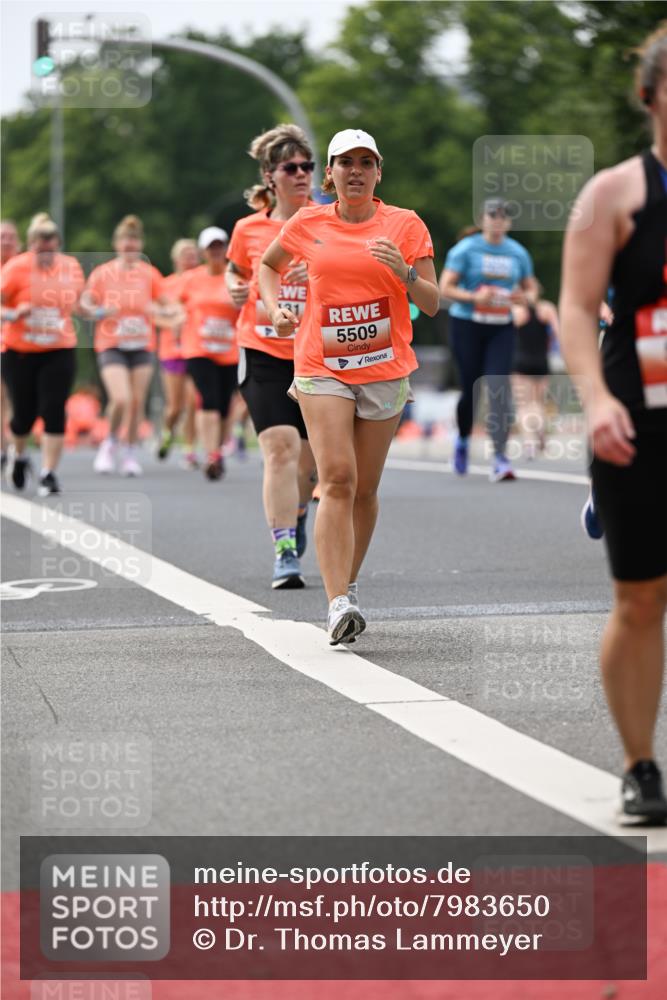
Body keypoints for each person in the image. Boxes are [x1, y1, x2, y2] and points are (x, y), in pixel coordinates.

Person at [259, 128, 439, 643]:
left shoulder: (404, 224)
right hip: (322, 366)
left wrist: (404, 272)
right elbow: (269, 268)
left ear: (378, 171)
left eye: (366, 162)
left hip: (384, 368)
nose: (355, 171)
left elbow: (431, 302)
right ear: (331, 173)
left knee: (365, 488)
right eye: (345, 163)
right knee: (336, 477)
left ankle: (348, 583)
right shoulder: (309, 220)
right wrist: (276, 308)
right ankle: (337, 603)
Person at [559, 23, 667, 821]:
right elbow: (573, 306)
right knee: (640, 599)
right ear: (649, 96)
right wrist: (596, 400)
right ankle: (639, 767)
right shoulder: (614, 195)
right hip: (641, 418)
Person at [226, 124, 317, 588]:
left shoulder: (328, 221)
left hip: (316, 354)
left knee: (311, 461)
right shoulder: (248, 229)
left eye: (308, 167)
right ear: (270, 175)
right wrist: (234, 287)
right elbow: (234, 272)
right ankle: (284, 550)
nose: (302, 175)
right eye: (291, 168)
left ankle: (299, 512)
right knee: (280, 448)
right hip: (262, 350)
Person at [439, 199, 538, 481]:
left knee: (498, 388)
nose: (497, 220)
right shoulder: (466, 250)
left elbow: (532, 289)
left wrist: (524, 298)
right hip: (466, 324)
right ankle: (462, 441)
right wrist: (474, 297)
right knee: (470, 390)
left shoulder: (517, 253)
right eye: (492, 215)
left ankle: (500, 457)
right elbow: (445, 288)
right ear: (482, 220)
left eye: (503, 216)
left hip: (501, 326)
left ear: (508, 222)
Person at [0, 213, 84, 495]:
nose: (46, 246)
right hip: (20, 351)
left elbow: (78, 302)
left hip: (59, 349)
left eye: (51, 240)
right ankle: (19, 455)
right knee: (23, 415)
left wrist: (99, 310)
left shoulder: (70, 267)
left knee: (54, 409)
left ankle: (49, 473)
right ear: (31, 243)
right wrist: (12, 313)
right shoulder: (15, 268)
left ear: (58, 242)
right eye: (40, 240)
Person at [82, 215, 164, 477]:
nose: (130, 246)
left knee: (137, 402)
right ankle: (109, 443)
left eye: (134, 241)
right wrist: (101, 311)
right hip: (111, 343)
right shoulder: (102, 273)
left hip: (141, 344)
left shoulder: (149, 273)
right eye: (125, 241)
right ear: (116, 244)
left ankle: (129, 453)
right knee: (121, 399)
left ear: (140, 244)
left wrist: (159, 309)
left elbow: (169, 304)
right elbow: (84, 305)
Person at [179, 227, 240, 481]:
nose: (216, 251)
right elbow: (172, 305)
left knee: (225, 405)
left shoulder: (236, 277)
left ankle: (218, 449)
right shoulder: (191, 278)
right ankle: (211, 454)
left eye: (220, 246)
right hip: (199, 349)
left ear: (226, 249)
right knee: (209, 400)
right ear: (204, 251)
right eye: (211, 247)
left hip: (230, 350)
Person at [155, 238, 200, 468]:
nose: (190, 259)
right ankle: (167, 431)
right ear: (176, 259)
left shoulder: (202, 281)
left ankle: (190, 449)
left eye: (193, 254)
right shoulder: (166, 285)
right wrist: (172, 321)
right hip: (172, 350)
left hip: (197, 349)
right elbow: (154, 315)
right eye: (185, 254)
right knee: (175, 406)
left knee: (193, 402)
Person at [511, 289, 559, 459]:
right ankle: (541, 432)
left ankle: (529, 442)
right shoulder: (546, 309)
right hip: (541, 362)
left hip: (520, 362)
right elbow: (557, 332)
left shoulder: (516, 311)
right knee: (537, 402)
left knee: (523, 405)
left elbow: (506, 334)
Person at [1, 219, 21, 473]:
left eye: (10, 237)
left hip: (21, 344)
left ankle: (17, 447)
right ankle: (4, 449)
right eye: (1, 236)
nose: (5, 241)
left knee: (18, 400)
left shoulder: (26, 268)